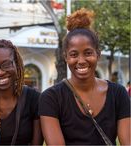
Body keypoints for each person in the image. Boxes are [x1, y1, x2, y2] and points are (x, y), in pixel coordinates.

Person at [38, 8, 130, 145]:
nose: (81, 61)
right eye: (74, 55)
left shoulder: (118, 94)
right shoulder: (51, 98)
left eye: (88, 53)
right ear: (66, 57)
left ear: (97, 54)